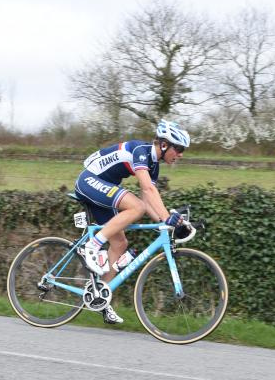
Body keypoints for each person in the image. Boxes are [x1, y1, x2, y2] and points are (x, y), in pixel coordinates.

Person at [74, 120, 191, 324]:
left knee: (120, 244)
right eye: (179, 149)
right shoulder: (141, 151)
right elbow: (147, 190)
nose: (180, 154)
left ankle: (100, 296)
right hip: (89, 180)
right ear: (164, 145)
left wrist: (169, 223)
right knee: (135, 207)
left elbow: (149, 203)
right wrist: (166, 216)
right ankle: (91, 246)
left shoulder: (153, 166)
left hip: (104, 188)